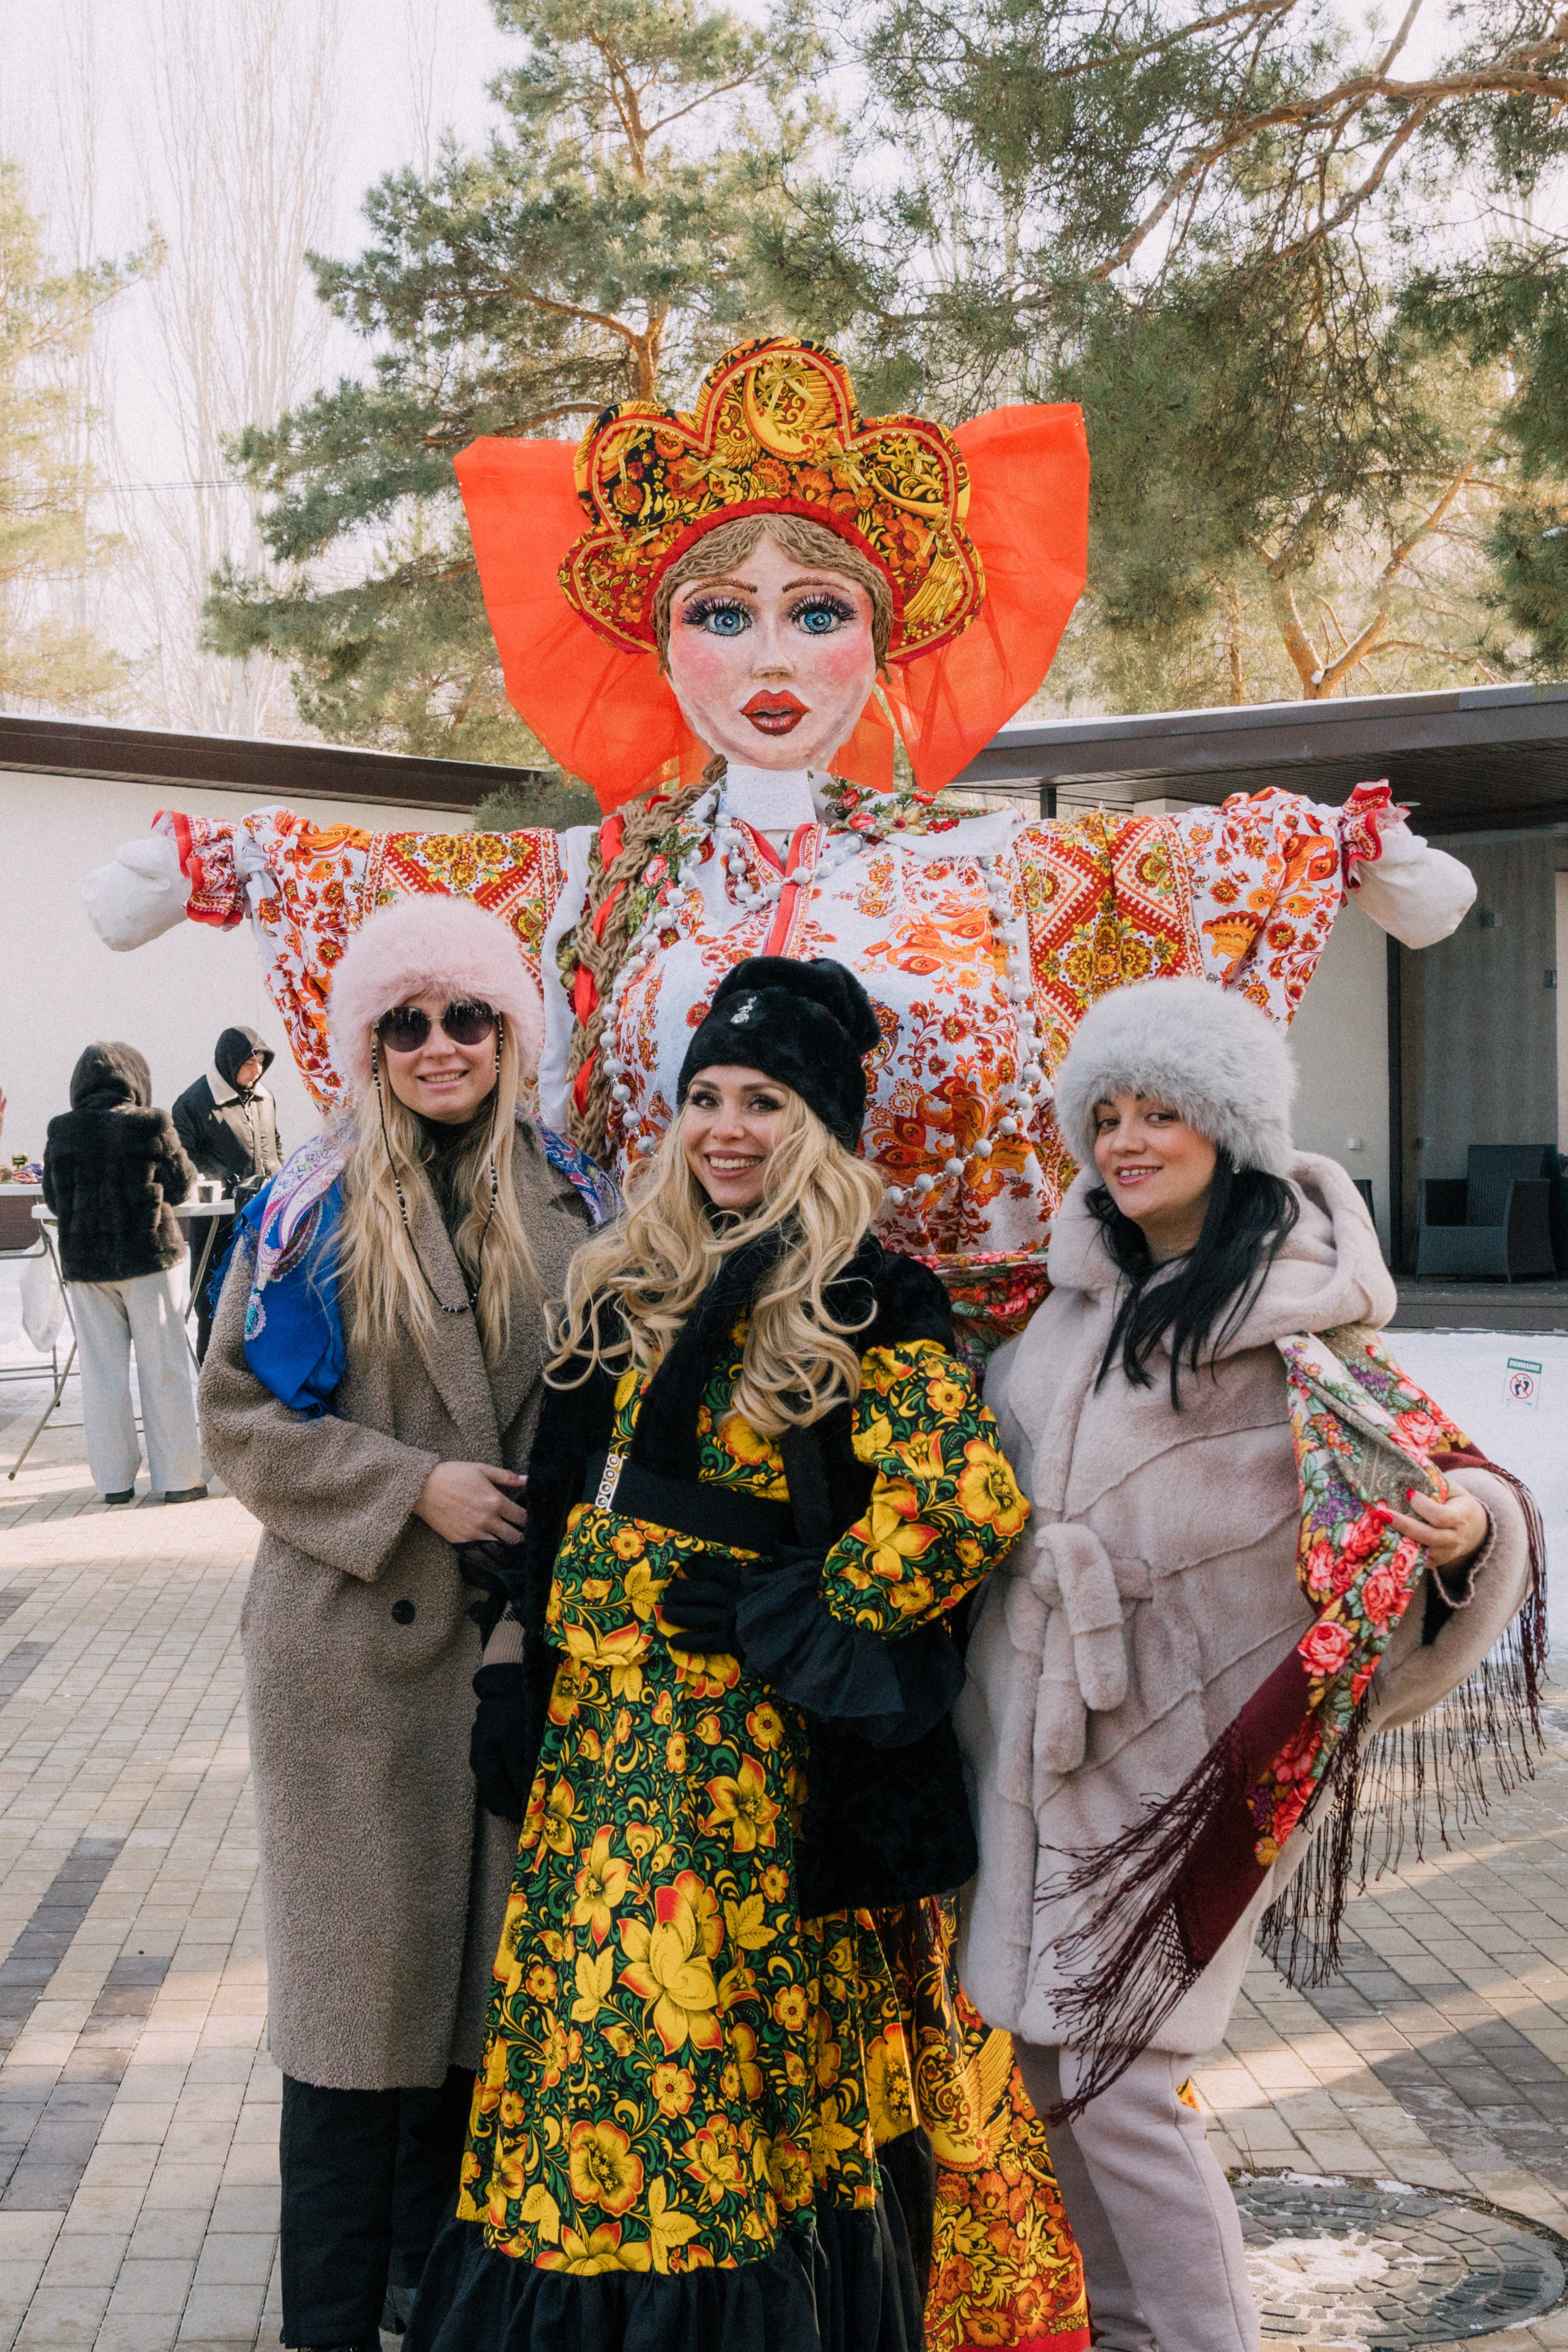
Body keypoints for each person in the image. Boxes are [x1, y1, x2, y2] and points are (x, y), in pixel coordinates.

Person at [82, 334, 1476, 2350]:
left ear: (883, 638)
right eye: (719, 608)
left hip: (930, 1414)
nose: (769, 643)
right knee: (670, 1934)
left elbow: (1165, 873)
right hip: (674, 1440)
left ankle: (955, 2279)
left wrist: (1345, 846)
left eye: (818, 603)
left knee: (939, 1885)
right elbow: (416, 922)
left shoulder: (978, 867)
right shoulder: (595, 890)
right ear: (661, 645)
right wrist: (219, 859)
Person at [406, 956, 1030, 2352]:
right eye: (704, 1097)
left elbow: (959, 1502)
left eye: (762, 1099)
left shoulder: (872, 1296)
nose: (726, 1126)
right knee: (577, 2068)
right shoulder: (623, 1285)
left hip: (735, 1787)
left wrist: (787, 1613)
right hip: (591, 1771)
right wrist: (517, 1657)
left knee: (695, 2082)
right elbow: (554, 1493)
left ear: (818, 1126)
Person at [956, 976, 1544, 2352]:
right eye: (1105, 1115)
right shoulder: (1061, 1303)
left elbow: (1447, 1480)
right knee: (1055, 2068)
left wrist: (1465, 1534)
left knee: (1125, 2083)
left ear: (1226, 1127)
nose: (1127, 1140)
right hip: (1034, 1750)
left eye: (1160, 1111)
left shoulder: (1296, 1319)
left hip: (1191, 1754)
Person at [197, 895, 616, 2352]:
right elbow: (235, 1419)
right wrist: (408, 1485)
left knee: (484, 2032)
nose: (441, 1046)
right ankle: (328, 2326)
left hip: (520, 1665)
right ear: (364, 1046)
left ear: (512, 1033)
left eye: (468, 1017)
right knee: (352, 2022)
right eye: (407, 1022)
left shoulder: (581, 1201)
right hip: (353, 1661)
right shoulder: (305, 1207)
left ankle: (441, 2319)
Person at [42, 1043, 204, 1505]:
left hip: (88, 1267)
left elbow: (55, 1201)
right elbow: (181, 1184)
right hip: (149, 1257)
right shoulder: (151, 1123)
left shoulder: (62, 1130)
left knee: (101, 1375)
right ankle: (178, 1478)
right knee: (165, 1369)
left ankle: (113, 1482)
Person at [172, 1024, 284, 1361]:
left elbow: (274, 1141)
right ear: (230, 1062)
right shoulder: (193, 1103)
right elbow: (183, 1156)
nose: (257, 1071)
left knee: (266, 1297)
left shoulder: (265, 1096)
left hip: (265, 1212)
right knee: (215, 1300)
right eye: (250, 1064)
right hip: (219, 1220)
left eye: (261, 1063)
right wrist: (226, 1178)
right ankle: (213, 1375)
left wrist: (280, 1174)